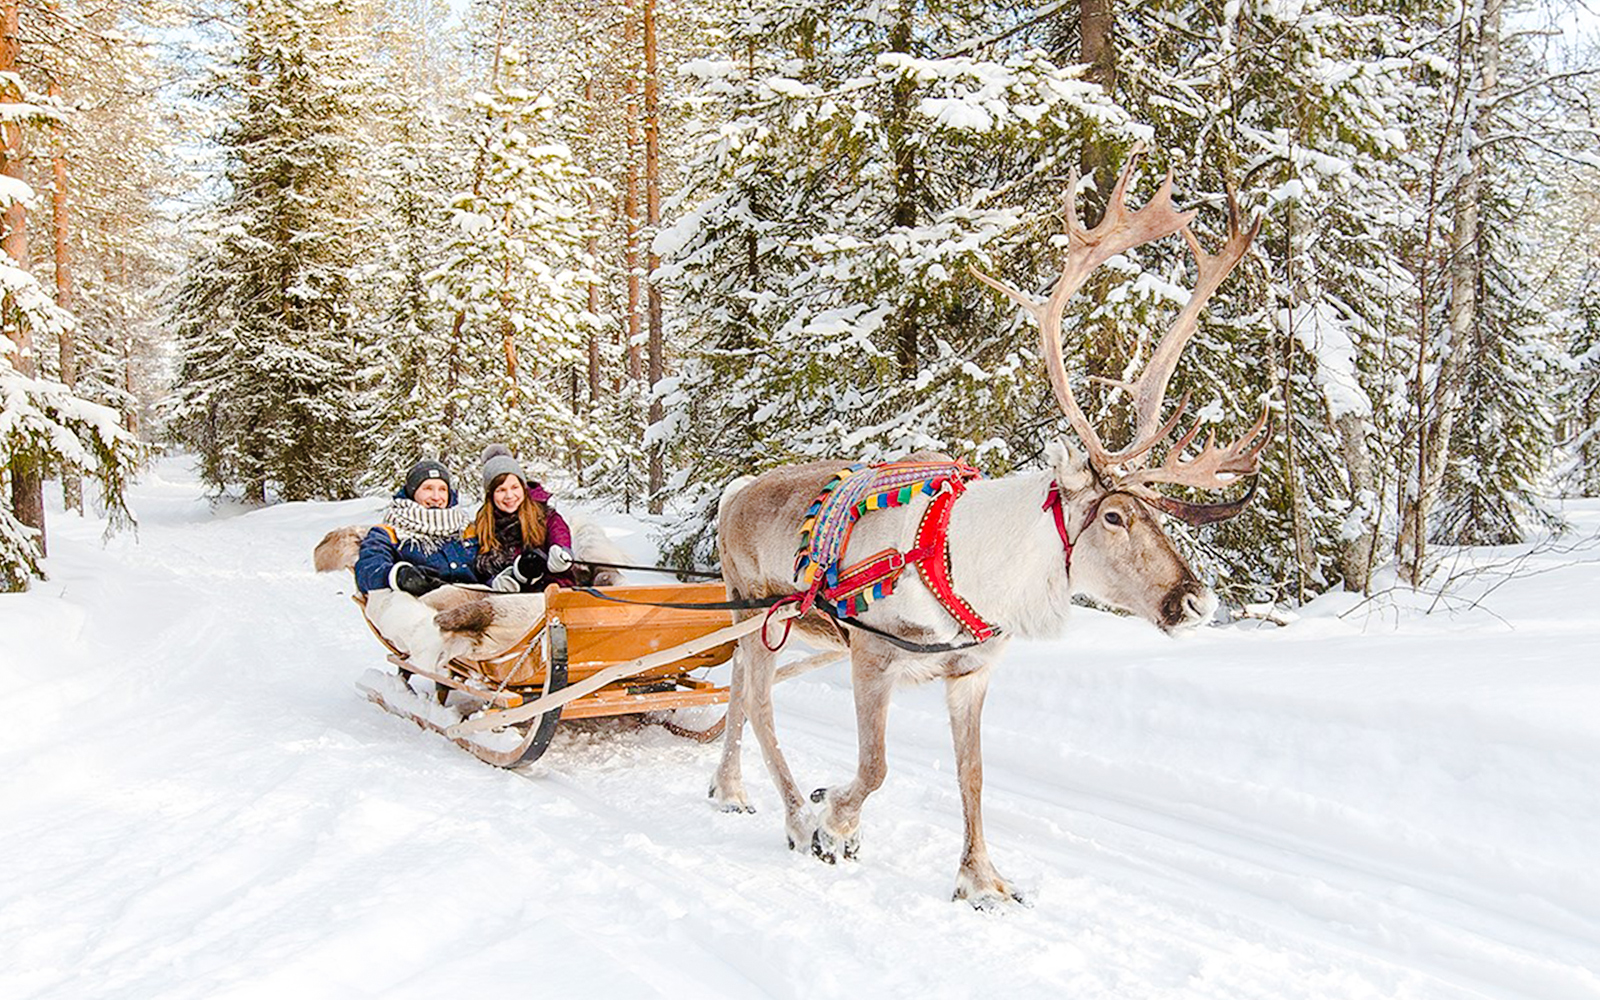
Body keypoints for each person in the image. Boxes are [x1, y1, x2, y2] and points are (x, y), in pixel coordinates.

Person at [353, 457, 480, 596]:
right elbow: (367, 571)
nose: (436, 497)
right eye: (428, 489)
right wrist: (399, 576)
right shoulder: (389, 533)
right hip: (424, 609)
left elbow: (488, 570)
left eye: (442, 489)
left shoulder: (467, 529)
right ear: (412, 492)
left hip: (474, 608)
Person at [468, 444, 577, 593]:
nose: (509, 496)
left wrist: (561, 552)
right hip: (506, 601)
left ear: (523, 488)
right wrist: (494, 582)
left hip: (550, 592)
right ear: (490, 495)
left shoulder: (545, 517)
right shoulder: (481, 526)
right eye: (501, 490)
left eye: (514, 487)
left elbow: (559, 534)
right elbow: (476, 571)